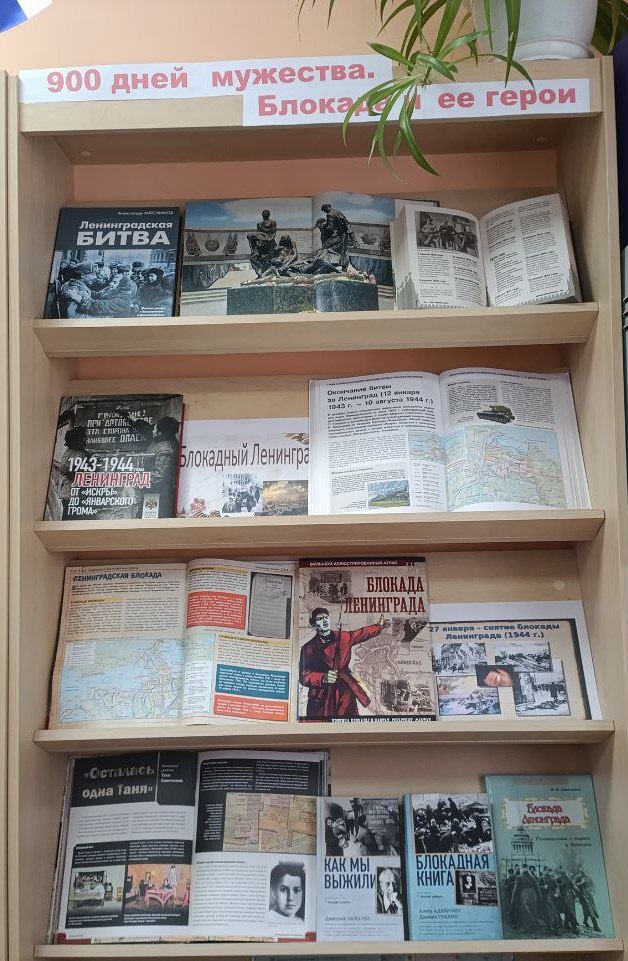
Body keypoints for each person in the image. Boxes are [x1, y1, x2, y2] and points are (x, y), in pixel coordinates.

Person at [299, 607, 387, 719]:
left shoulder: (343, 637)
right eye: (320, 619)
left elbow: (362, 633)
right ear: (313, 624)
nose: (325, 621)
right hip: (321, 697)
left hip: (344, 692)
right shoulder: (308, 648)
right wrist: (322, 677)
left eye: (326, 617)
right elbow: (303, 676)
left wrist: (379, 626)